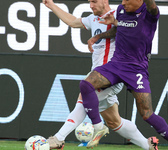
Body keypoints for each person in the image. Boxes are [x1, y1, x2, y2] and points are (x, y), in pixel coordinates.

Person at [42, 0, 159, 150]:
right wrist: (51, 4)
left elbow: (138, 27)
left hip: (112, 75)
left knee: (83, 100)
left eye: (94, 1)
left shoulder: (120, 14)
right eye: (89, 2)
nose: (91, 5)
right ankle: (148, 145)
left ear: (105, 0)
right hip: (98, 75)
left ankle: (58, 139)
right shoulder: (93, 19)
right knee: (114, 122)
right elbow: (72, 21)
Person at [80, 0, 168, 150]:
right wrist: (99, 36)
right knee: (86, 84)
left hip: (136, 70)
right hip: (116, 64)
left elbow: (152, 6)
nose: (123, 3)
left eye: (127, 0)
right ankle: (98, 127)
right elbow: (119, 29)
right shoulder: (122, 10)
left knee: (147, 114)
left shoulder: (149, 13)